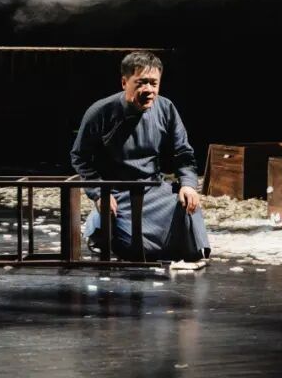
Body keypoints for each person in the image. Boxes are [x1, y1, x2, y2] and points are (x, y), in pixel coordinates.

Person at [70, 50, 211, 262]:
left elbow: (183, 152)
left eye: (154, 83)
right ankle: (100, 230)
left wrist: (188, 184)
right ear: (124, 82)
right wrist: (100, 193)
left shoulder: (166, 108)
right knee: (132, 249)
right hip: (117, 191)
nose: (148, 90)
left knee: (186, 210)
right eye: (141, 83)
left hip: (153, 188)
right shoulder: (101, 111)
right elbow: (80, 156)